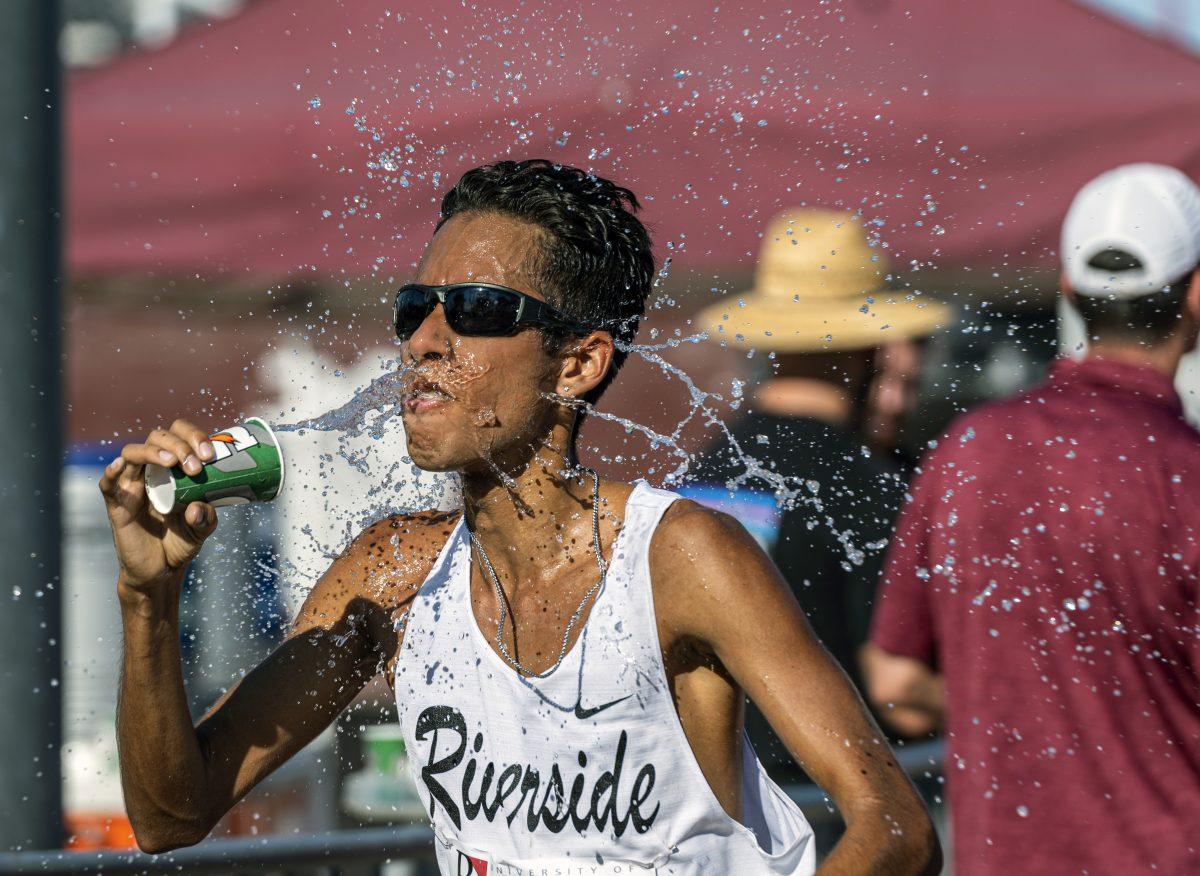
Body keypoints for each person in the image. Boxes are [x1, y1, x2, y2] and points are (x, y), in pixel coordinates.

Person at [101, 160, 940, 875]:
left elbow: (894, 825)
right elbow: (171, 818)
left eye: (477, 310)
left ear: (578, 363)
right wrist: (151, 599)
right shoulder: (392, 572)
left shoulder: (679, 556)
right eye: (415, 307)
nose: (425, 340)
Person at [864, 162, 1200, 874]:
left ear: (1072, 291)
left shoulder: (969, 450)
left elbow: (894, 678)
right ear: (1196, 292)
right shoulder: (1185, 475)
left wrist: (1024, 711)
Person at [686, 209, 949, 783]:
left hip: (706, 803)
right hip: (828, 809)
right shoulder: (871, 487)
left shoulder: (703, 471)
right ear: (872, 346)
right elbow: (898, 688)